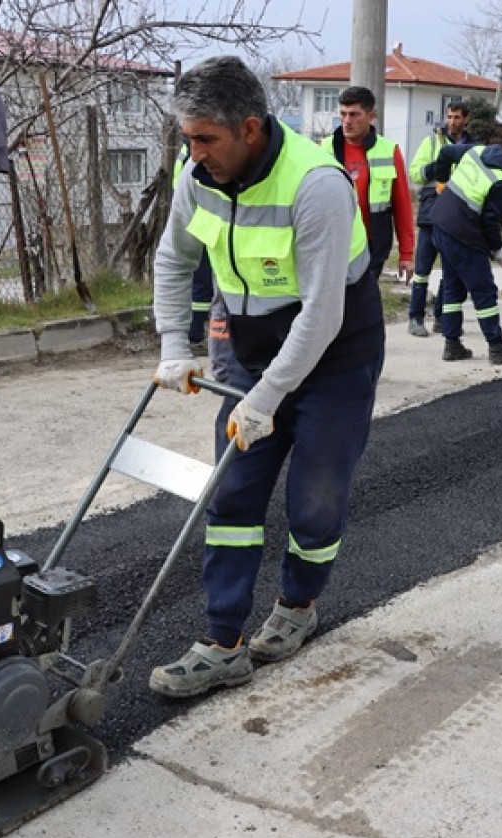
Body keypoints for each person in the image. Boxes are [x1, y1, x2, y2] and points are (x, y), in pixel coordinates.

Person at [148, 56, 386, 698]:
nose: (193, 155)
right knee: (231, 493)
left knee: (315, 495)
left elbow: (322, 312)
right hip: (250, 348)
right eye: (188, 139)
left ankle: (298, 605)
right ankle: (223, 642)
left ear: (249, 129)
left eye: (205, 139)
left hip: (335, 353)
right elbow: (174, 258)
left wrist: (270, 397)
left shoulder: (316, 185)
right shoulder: (196, 175)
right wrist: (176, 343)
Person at [428, 132, 502, 364]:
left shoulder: (477, 150)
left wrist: (442, 182)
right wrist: (498, 249)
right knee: (484, 290)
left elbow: (446, 153)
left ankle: (452, 344)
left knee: (452, 288)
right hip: (462, 232)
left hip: (439, 222)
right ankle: (497, 347)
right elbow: (490, 221)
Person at [321, 86, 415, 283]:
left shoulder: (389, 151)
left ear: (371, 116)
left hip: (373, 246)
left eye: (355, 115)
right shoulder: (323, 148)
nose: (347, 121)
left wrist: (406, 254)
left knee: (364, 307)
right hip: (332, 243)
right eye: (343, 114)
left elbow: (403, 206)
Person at [407, 101, 473, 337]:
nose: (452, 122)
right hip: (430, 214)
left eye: (457, 117)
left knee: (450, 272)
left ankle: (441, 318)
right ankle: (415, 318)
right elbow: (415, 172)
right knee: (422, 270)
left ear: (466, 119)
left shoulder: (471, 147)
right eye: (449, 117)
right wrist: (440, 164)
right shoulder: (432, 141)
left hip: (456, 217)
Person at [172, 142, 213, 356]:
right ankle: (195, 336)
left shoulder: (186, 150)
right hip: (203, 221)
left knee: (200, 281)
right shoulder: (196, 155)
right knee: (202, 284)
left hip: (194, 219)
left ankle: (195, 333)